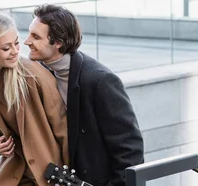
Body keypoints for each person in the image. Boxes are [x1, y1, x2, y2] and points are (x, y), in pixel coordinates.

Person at [23, 4, 144, 186]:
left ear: (58, 42)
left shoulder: (100, 81)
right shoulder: (37, 72)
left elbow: (130, 150)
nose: (26, 41)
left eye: (36, 36)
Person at [0, 11, 69, 186]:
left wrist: (68, 173)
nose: (15, 52)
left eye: (16, 43)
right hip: (14, 171)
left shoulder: (33, 75)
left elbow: (61, 127)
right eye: (6, 48)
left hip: (48, 174)